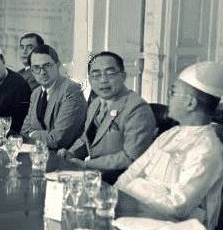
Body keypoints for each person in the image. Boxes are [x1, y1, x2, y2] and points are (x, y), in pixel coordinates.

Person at [115, 62, 223, 230]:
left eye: (173, 92)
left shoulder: (207, 149)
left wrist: (131, 194)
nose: (169, 97)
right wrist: (114, 196)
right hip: (135, 213)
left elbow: (177, 207)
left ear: (190, 103)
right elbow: (134, 170)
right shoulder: (171, 133)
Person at [57, 51, 156, 183]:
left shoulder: (137, 109)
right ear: (90, 80)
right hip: (96, 177)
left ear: (123, 76)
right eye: (96, 75)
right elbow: (85, 138)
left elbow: (130, 157)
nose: (103, 80)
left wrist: (86, 165)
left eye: (110, 73)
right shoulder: (96, 103)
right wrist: (71, 153)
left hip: (122, 182)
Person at [20, 45, 87, 150]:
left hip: (65, 159)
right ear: (32, 71)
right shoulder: (36, 93)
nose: (42, 72)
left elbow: (58, 140)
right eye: (36, 68)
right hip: (40, 154)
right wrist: (45, 135)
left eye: (47, 65)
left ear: (58, 65)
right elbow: (24, 130)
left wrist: (33, 134)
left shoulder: (71, 90)